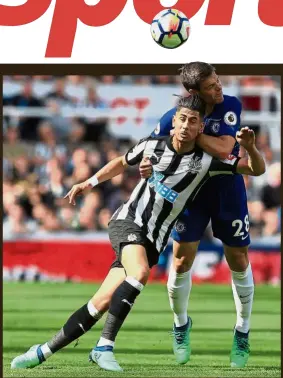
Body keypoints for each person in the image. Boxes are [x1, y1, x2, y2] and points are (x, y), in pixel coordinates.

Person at [11, 95, 265, 372]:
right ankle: (104, 347)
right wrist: (89, 182)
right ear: (173, 122)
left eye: (193, 121)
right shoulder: (152, 145)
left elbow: (255, 169)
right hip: (128, 222)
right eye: (181, 119)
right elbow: (122, 161)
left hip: (153, 241)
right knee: (140, 273)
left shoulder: (208, 162)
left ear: (200, 128)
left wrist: (250, 148)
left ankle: (41, 352)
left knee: (100, 304)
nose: (185, 126)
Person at [140, 62, 255, 368]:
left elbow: (225, 148)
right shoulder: (171, 118)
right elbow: (148, 150)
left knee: (239, 259)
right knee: (181, 260)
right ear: (193, 92)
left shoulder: (229, 105)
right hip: (189, 194)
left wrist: (189, 132)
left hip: (226, 189)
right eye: (211, 86)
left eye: (218, 82)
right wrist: (148, 164)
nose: (219, 88)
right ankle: (180, 326)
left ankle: (242, 331)